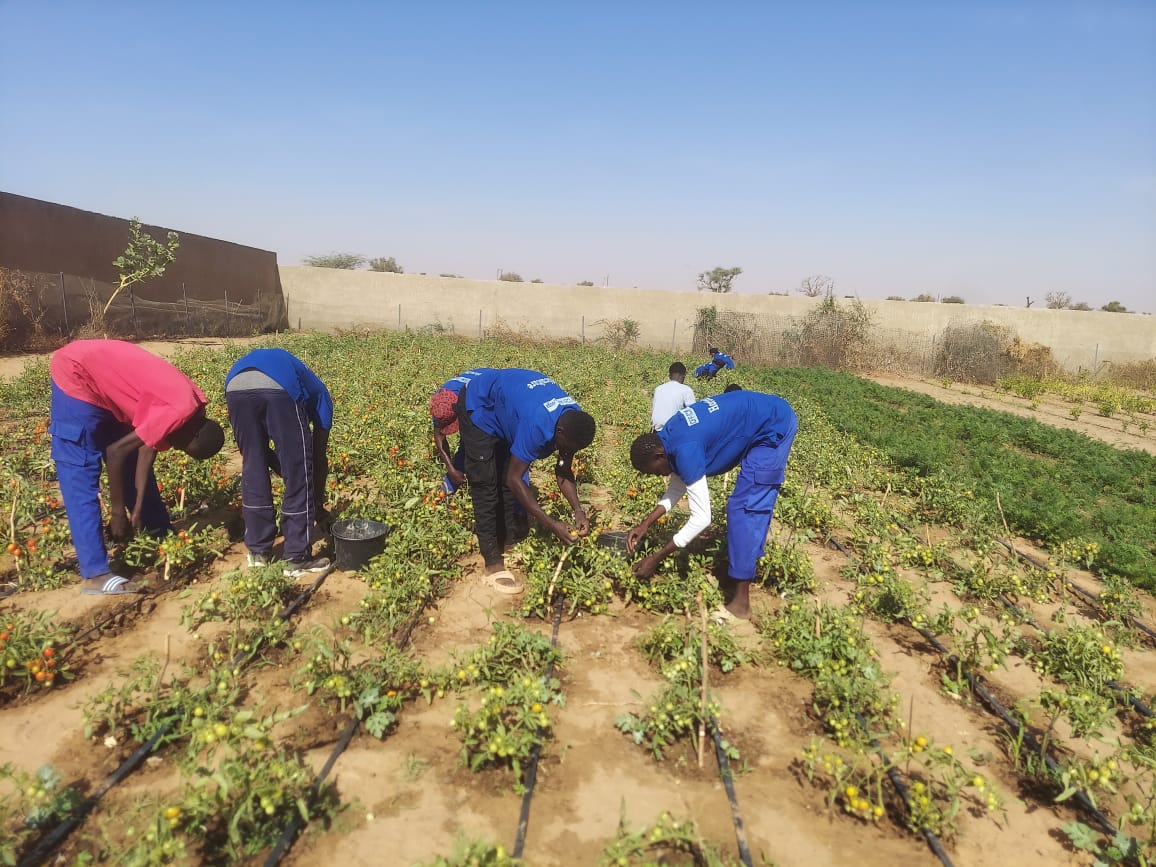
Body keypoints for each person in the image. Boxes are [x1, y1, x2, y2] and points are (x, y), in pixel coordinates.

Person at [48, 339, 225, 596]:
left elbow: (145, 449)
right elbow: (115, 452)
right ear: (194, 432)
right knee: (79, 468)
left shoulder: (192, 408)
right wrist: (118, 513)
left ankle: (158, 535)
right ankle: (96, 574)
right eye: (182, 446)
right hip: (78, 373)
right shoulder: (179, 410)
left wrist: (139, 506)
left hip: (110, 385)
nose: (174, 448)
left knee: (131, 458)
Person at [626, 390, 797, 621]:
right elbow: (678, 486)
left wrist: (656, 558)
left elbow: (702, 519)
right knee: (744, 506)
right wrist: (645, 524)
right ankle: (741, 569)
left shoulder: (685, 449)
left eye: (656, 472)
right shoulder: (668, 437)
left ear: (659, 456)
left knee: (745, 508)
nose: (660, 476)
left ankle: (741, 603)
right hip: (759, 417)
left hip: (773, 425)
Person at [456, 368, 597, 594]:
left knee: (506, 474)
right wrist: (551, 523)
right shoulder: (537, 425)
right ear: (559, 432)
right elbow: (515, 479)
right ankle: (492, 563)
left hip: (508, 407)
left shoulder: (574, 422)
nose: (566, 452)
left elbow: (563, 470)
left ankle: (507, 540)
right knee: (486, 483)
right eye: (566, 447)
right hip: (481, 405)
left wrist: (578, 510)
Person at [225, 348, 333, 577]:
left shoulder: (299, 373)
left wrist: (283, 467)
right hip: (278, 386)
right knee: (299, 470)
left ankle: (258, 552)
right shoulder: (323, 400)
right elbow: (317, 460)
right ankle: (296, 558)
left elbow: (264, 453)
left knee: (253, 463)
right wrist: (316, 502)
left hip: (235, 385)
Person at [429, 368, 493, 493]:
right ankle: (448, 490)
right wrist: (450, 469)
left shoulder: (473, 397)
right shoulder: (440, 403)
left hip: (491, 388)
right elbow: (438, 435)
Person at [650, 362, 697, 431]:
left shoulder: (658, 389)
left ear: (669, 376)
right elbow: (693, 412)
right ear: (683, 376)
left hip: (655, 431)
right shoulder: (686, 389)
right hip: (672, 431)